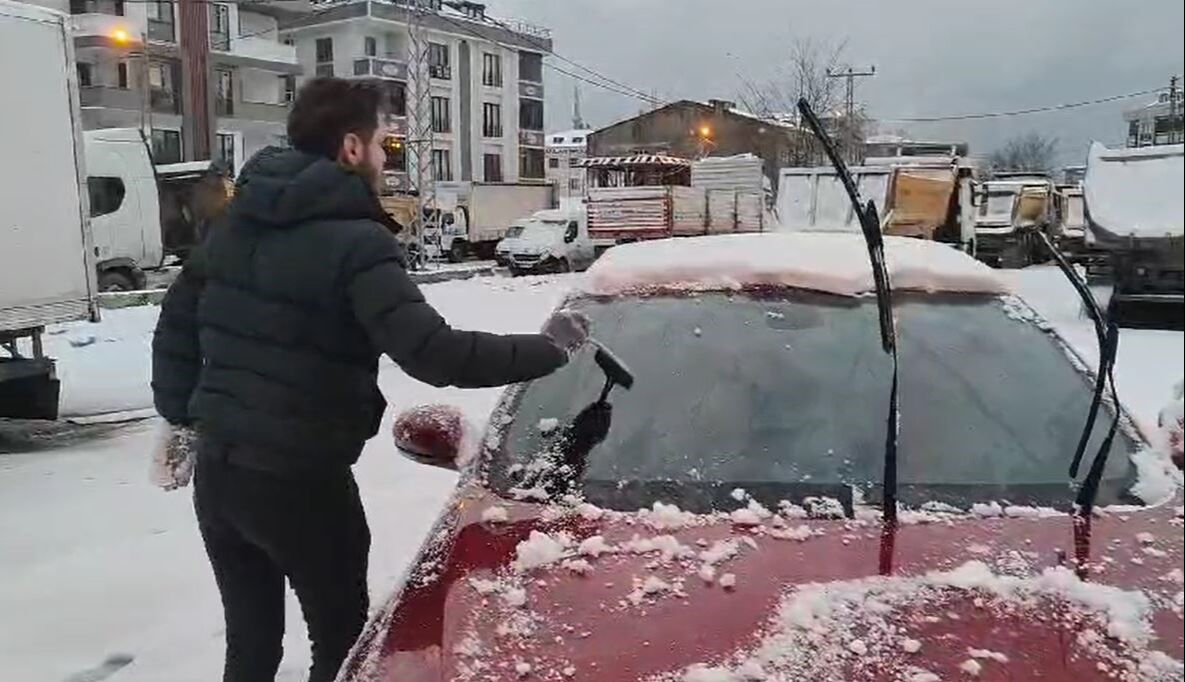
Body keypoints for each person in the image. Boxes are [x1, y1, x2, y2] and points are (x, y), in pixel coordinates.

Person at [149, 78, 588, 682]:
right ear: (351, 148)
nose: (388, 158)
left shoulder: (234, 226)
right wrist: (547, 351)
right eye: (385, 143)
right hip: (302, 484)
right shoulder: (356, 242)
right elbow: (434, 354)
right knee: (344, 648)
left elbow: (175, 327)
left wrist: (183, 420)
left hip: (222, 480)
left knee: (250, 650)